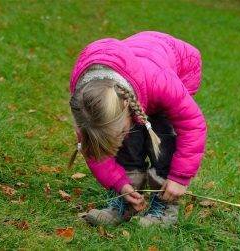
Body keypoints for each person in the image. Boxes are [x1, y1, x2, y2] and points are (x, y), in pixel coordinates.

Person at [69, 31, 207, 227]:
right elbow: (94, 148)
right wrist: (121, 184)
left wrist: (180, 177)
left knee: (162, 135)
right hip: (137, 78)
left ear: (126, 105)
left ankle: (165, 205)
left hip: (178, 69)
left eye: (120, 132)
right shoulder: (86, 101)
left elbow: (192, 125)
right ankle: (128, 199)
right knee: (128, 139)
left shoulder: (163, 84)